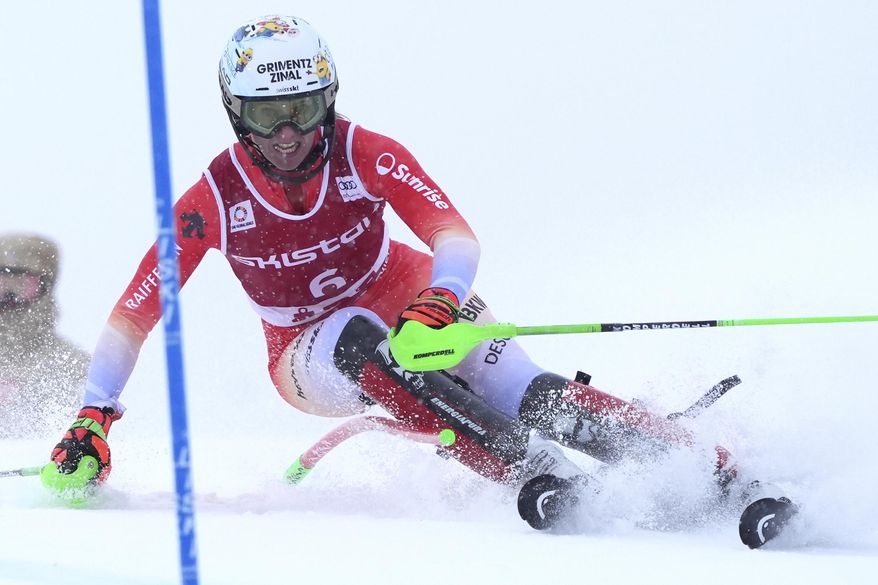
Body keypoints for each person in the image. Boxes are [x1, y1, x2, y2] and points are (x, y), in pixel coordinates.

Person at [41, 16, 789, 541]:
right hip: (304, 348)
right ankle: (534, 470)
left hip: (405, 290)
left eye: (302, 109)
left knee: (525, 388)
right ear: (236, 113)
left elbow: (453, 236)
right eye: (268, 117)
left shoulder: (363, 149)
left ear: (328, 96)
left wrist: (440, 297)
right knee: (366, 342)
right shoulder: (213, 199)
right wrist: (94, 415)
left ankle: (704, 471)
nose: (290, 134)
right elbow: (134, 313)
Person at [0, 233, 88, 438]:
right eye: (2, 282)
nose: (10, 296)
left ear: (45, 288)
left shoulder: (74, 366)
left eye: (23, 284)